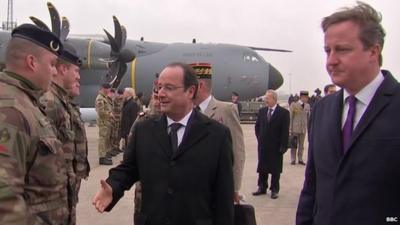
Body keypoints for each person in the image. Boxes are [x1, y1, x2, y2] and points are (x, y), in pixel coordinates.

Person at [296, 2, 400, 225]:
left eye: (342, 49)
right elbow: (312, 186)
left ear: (374, 51)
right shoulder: (322, 109)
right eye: (327, 50)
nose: (331, 60)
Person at [93, 62, 234, 225]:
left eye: (169, 88)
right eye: (159, 87)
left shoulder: (217, 135)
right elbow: (129, 168)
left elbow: (224, 198)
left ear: (190, 91)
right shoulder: (144, 130)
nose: (161, 93)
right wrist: (113, 186)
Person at [0, 24, 69, 224]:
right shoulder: (10, 111)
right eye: (52, 63)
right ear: (32, 62)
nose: (55, 71)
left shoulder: (25, 103)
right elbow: (5, 203)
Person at [40, 43, 82, 225]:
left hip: (64, 190)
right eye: (76, 71)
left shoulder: (61, 102)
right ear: (63, 69)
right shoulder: (49, 102)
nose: (78, 76)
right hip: (52, 195)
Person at [191, 62, 245, 204]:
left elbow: (237, 150)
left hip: (216, 187)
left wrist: (234, 187)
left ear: (200, 86)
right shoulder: (187, 111)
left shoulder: (226, 109)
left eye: (189, 85)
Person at [252, 90, 289, 199]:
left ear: (274, 99)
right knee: (262, 167)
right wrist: (260, 138)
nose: (265, 100)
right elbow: (257, 127)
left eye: (267, 98)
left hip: (276, 146)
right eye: (265, 98)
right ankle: (262, 187)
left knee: (275, 169)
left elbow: (285, 131)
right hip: (263, 145)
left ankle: (274, 189)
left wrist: (284, 145)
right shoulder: (262, 111)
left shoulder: (283, 113)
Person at [66, 61, 90, 225]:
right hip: (63, 178)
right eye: (76, 71)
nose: (79, 78)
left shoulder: (69, 104)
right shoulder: (52, 104)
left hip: (72, 175)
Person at [289, 91, 310, 165]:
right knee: (294, 144)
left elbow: (308, 117)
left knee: (301, 145)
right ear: (301, 97)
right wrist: (290, 128)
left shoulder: (307, 105)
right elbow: (291, 117)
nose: (306, 99)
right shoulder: (294, 105)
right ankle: (293, 159)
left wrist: (308, 127)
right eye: (305, 97)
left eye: (307, 98)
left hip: (303, 128)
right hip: (295, 128)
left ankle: (300, 159)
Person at [95, 83, 113, 165]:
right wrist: (109, 114)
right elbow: (100, 112)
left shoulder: (104, 98)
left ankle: (105, 155)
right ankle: (102, 157)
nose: (109, 90)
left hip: (106, 122)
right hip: (103, 122)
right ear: (103, 88)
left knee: (106, 139)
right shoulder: (100, 99)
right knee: (102, 139)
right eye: (108, 88)